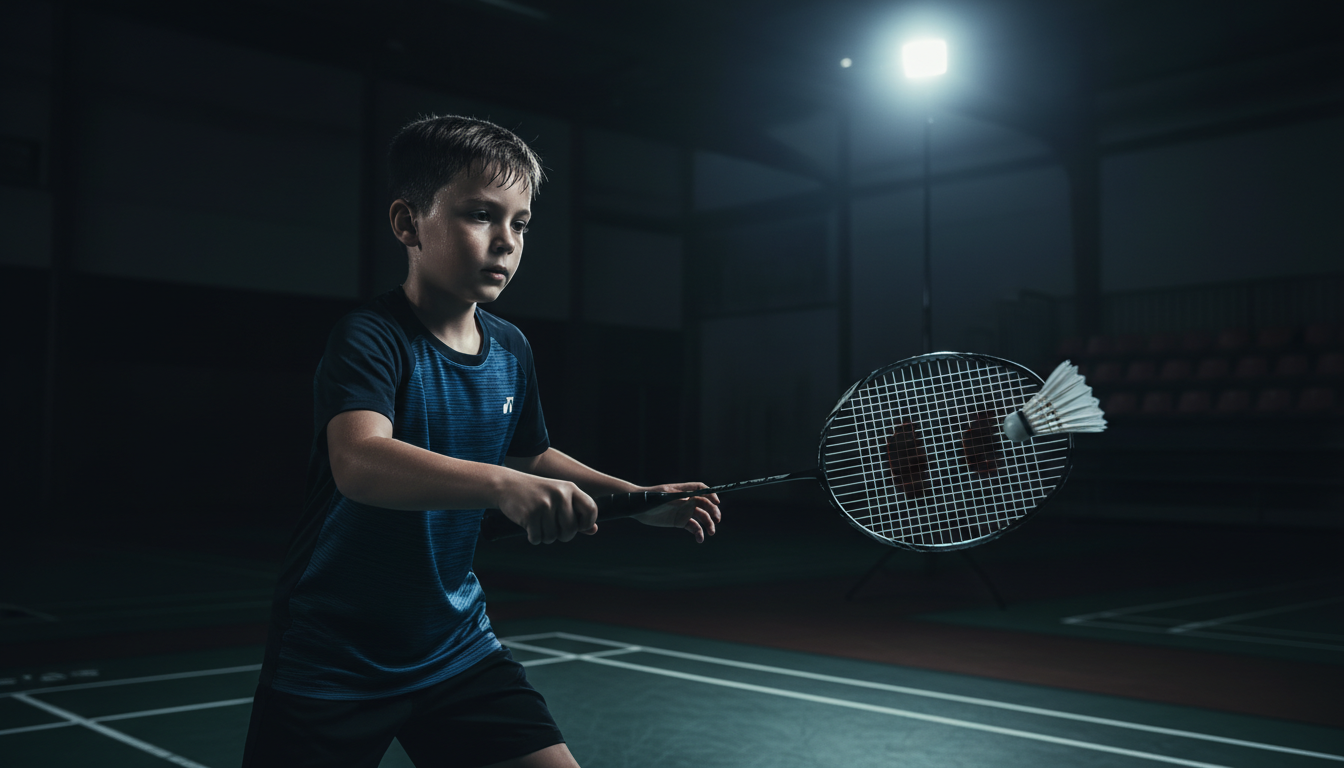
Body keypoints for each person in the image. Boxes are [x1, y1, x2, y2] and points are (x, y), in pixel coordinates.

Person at [241, 114, 721, 768]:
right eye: (480, 216)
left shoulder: (511, 348)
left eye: (519, 223)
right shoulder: (370, 338)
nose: (506, 242)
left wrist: (635, 498)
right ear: (409, 224)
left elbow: (529, 455)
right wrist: (503, 485)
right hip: (332, 661)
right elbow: (358, 460)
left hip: (454, 650)